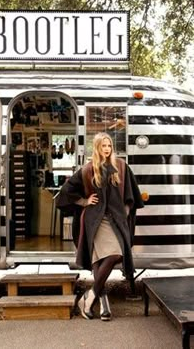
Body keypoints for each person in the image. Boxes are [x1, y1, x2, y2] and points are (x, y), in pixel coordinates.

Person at [56, 132, 144, 321]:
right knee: (99, 259)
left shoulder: (121, 167)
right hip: (94, 220)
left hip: (115, 220)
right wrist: (83, 201)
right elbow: (65, 192)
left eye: (109, 145)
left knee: (116, 254)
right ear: (96, 148)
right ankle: (103, 304)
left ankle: (90, 296)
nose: (107, 149)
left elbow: (131, 196)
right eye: (103, 146)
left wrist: (125, 212)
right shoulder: (88, 170)